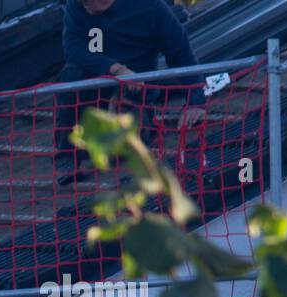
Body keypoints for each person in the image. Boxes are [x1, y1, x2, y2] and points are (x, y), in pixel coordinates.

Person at [55, 0, 206, 176]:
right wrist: (116, 69)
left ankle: (133, 126)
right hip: (96, 81)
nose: (84, 8)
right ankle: (66, 157)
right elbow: (73, 47)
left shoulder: (150, 7)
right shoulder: (78, 5)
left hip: (136, 87)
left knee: (122, 153)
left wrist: (196, 102)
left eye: (88, 3)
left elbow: (180, 52)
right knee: (70, 75)